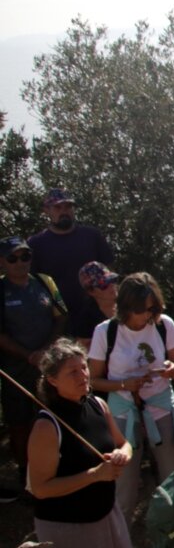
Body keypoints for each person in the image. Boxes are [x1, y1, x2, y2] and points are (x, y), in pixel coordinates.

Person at [27, 339, 138, 548]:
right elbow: (41, 488)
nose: (83, 375)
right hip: (69, 525)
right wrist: (94, 475)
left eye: (84, 367)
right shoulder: (47, 425)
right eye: (72, 371)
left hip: (107, 514)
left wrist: (122, 455)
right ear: (53, 380)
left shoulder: (98, 405)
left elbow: (124, 443)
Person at [87, 272, 174, 517]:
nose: (147, 315)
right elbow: (93, 381)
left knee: (173, 476)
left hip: (161, 405)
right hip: (122, 409)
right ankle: (120, 540)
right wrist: (125, 384)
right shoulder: (106, 332)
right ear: (126, 307)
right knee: (123, 483)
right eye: (141, 310)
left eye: (152, 308)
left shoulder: (163, 324)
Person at [1, 236, 68, 501]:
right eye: (13, 258)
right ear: (2, 262)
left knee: (53, 416)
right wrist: (28, 355)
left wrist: (46, 351)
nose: (20, 263)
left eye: (25, 256)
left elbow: (62, 315)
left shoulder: (45, 282)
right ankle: (25, 476)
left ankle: (56, 471)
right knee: (19, 424)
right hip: (15, 367)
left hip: (48, 363)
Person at [27, 188, 114, 318]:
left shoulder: (91, 236)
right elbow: (31, 284)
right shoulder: (36, 244)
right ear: (47, 210)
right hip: (59, 317)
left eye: (68, 206)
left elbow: (109, 270)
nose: (64, 211)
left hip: (96, 314)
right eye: (58, 207)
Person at [69, 262, 120, 349]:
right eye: (104, 285)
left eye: (112, 280)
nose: (111, 285)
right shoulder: (85, 320)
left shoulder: (130, 305)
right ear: (90, 292)